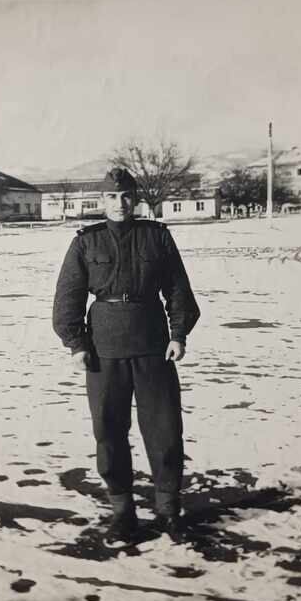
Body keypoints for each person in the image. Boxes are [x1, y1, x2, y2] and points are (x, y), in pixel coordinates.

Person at [52, 167, 200, 542]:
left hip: (153, 345)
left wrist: (178, 334)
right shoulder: (87, 242)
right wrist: (77, 345)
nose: (120, 204)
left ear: (136, 198)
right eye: (112, 197)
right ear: (102, 202)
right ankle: (123, 512)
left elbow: (178, 291)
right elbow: (67, 300)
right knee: (108, 431)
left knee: (165, 429)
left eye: (126, 196)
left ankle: (168, 511)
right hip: (105, 350)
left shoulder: (157, 237)